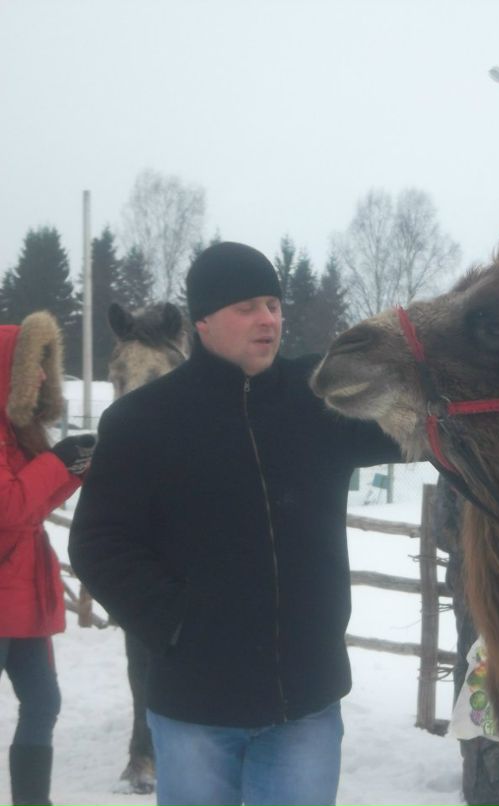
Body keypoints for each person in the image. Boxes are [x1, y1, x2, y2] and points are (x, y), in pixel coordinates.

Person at [69, 242, 401, 806]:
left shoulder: (320, 399)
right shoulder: (141, 420)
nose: (267, 319)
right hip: (196, 708)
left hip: (307, 701)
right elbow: (99, 544)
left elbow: (427, 425)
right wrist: (175, 624)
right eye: (246, 306)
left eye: (273, 303)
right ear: (202, 320)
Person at [0, 310, 95, 806]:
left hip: (21, 596)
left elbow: (28, 504)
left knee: (43, 701)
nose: (41, 374)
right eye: (32, 364)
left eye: (44, 364)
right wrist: (56, 462)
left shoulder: (17, 432)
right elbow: (10, 506)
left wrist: (72, 468)